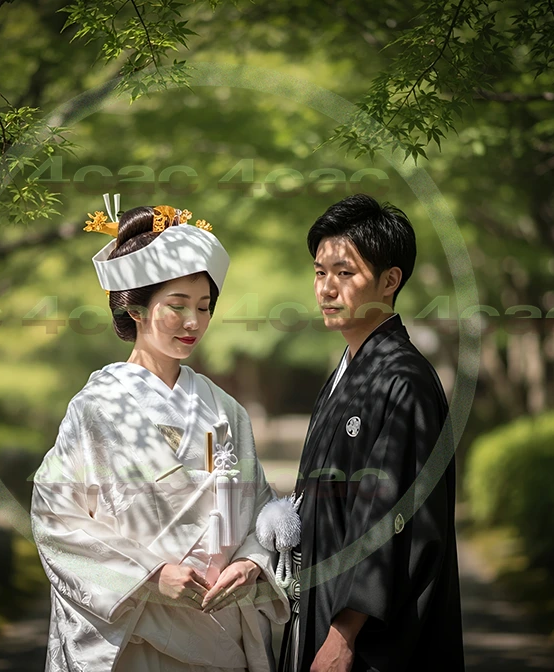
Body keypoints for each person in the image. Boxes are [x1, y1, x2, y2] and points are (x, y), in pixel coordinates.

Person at [31, 195, 290, 672]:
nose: (194, 322)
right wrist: (150, 576)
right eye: (177, 306)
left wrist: (251, 563)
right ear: (136, 309)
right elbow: (55, 519)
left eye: (204, 307)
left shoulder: (225, 410)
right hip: (137, 631)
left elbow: (259, 506)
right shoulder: (96, 409)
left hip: (219, 631)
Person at [278, 194, 464, 672]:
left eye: (344, 273)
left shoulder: (404, 380)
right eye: (320, 272)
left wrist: (343, 637)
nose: (326, 288)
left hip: (370, 639)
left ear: (389, 280)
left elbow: (392, 519)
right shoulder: (347, 372)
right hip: (323, 613)